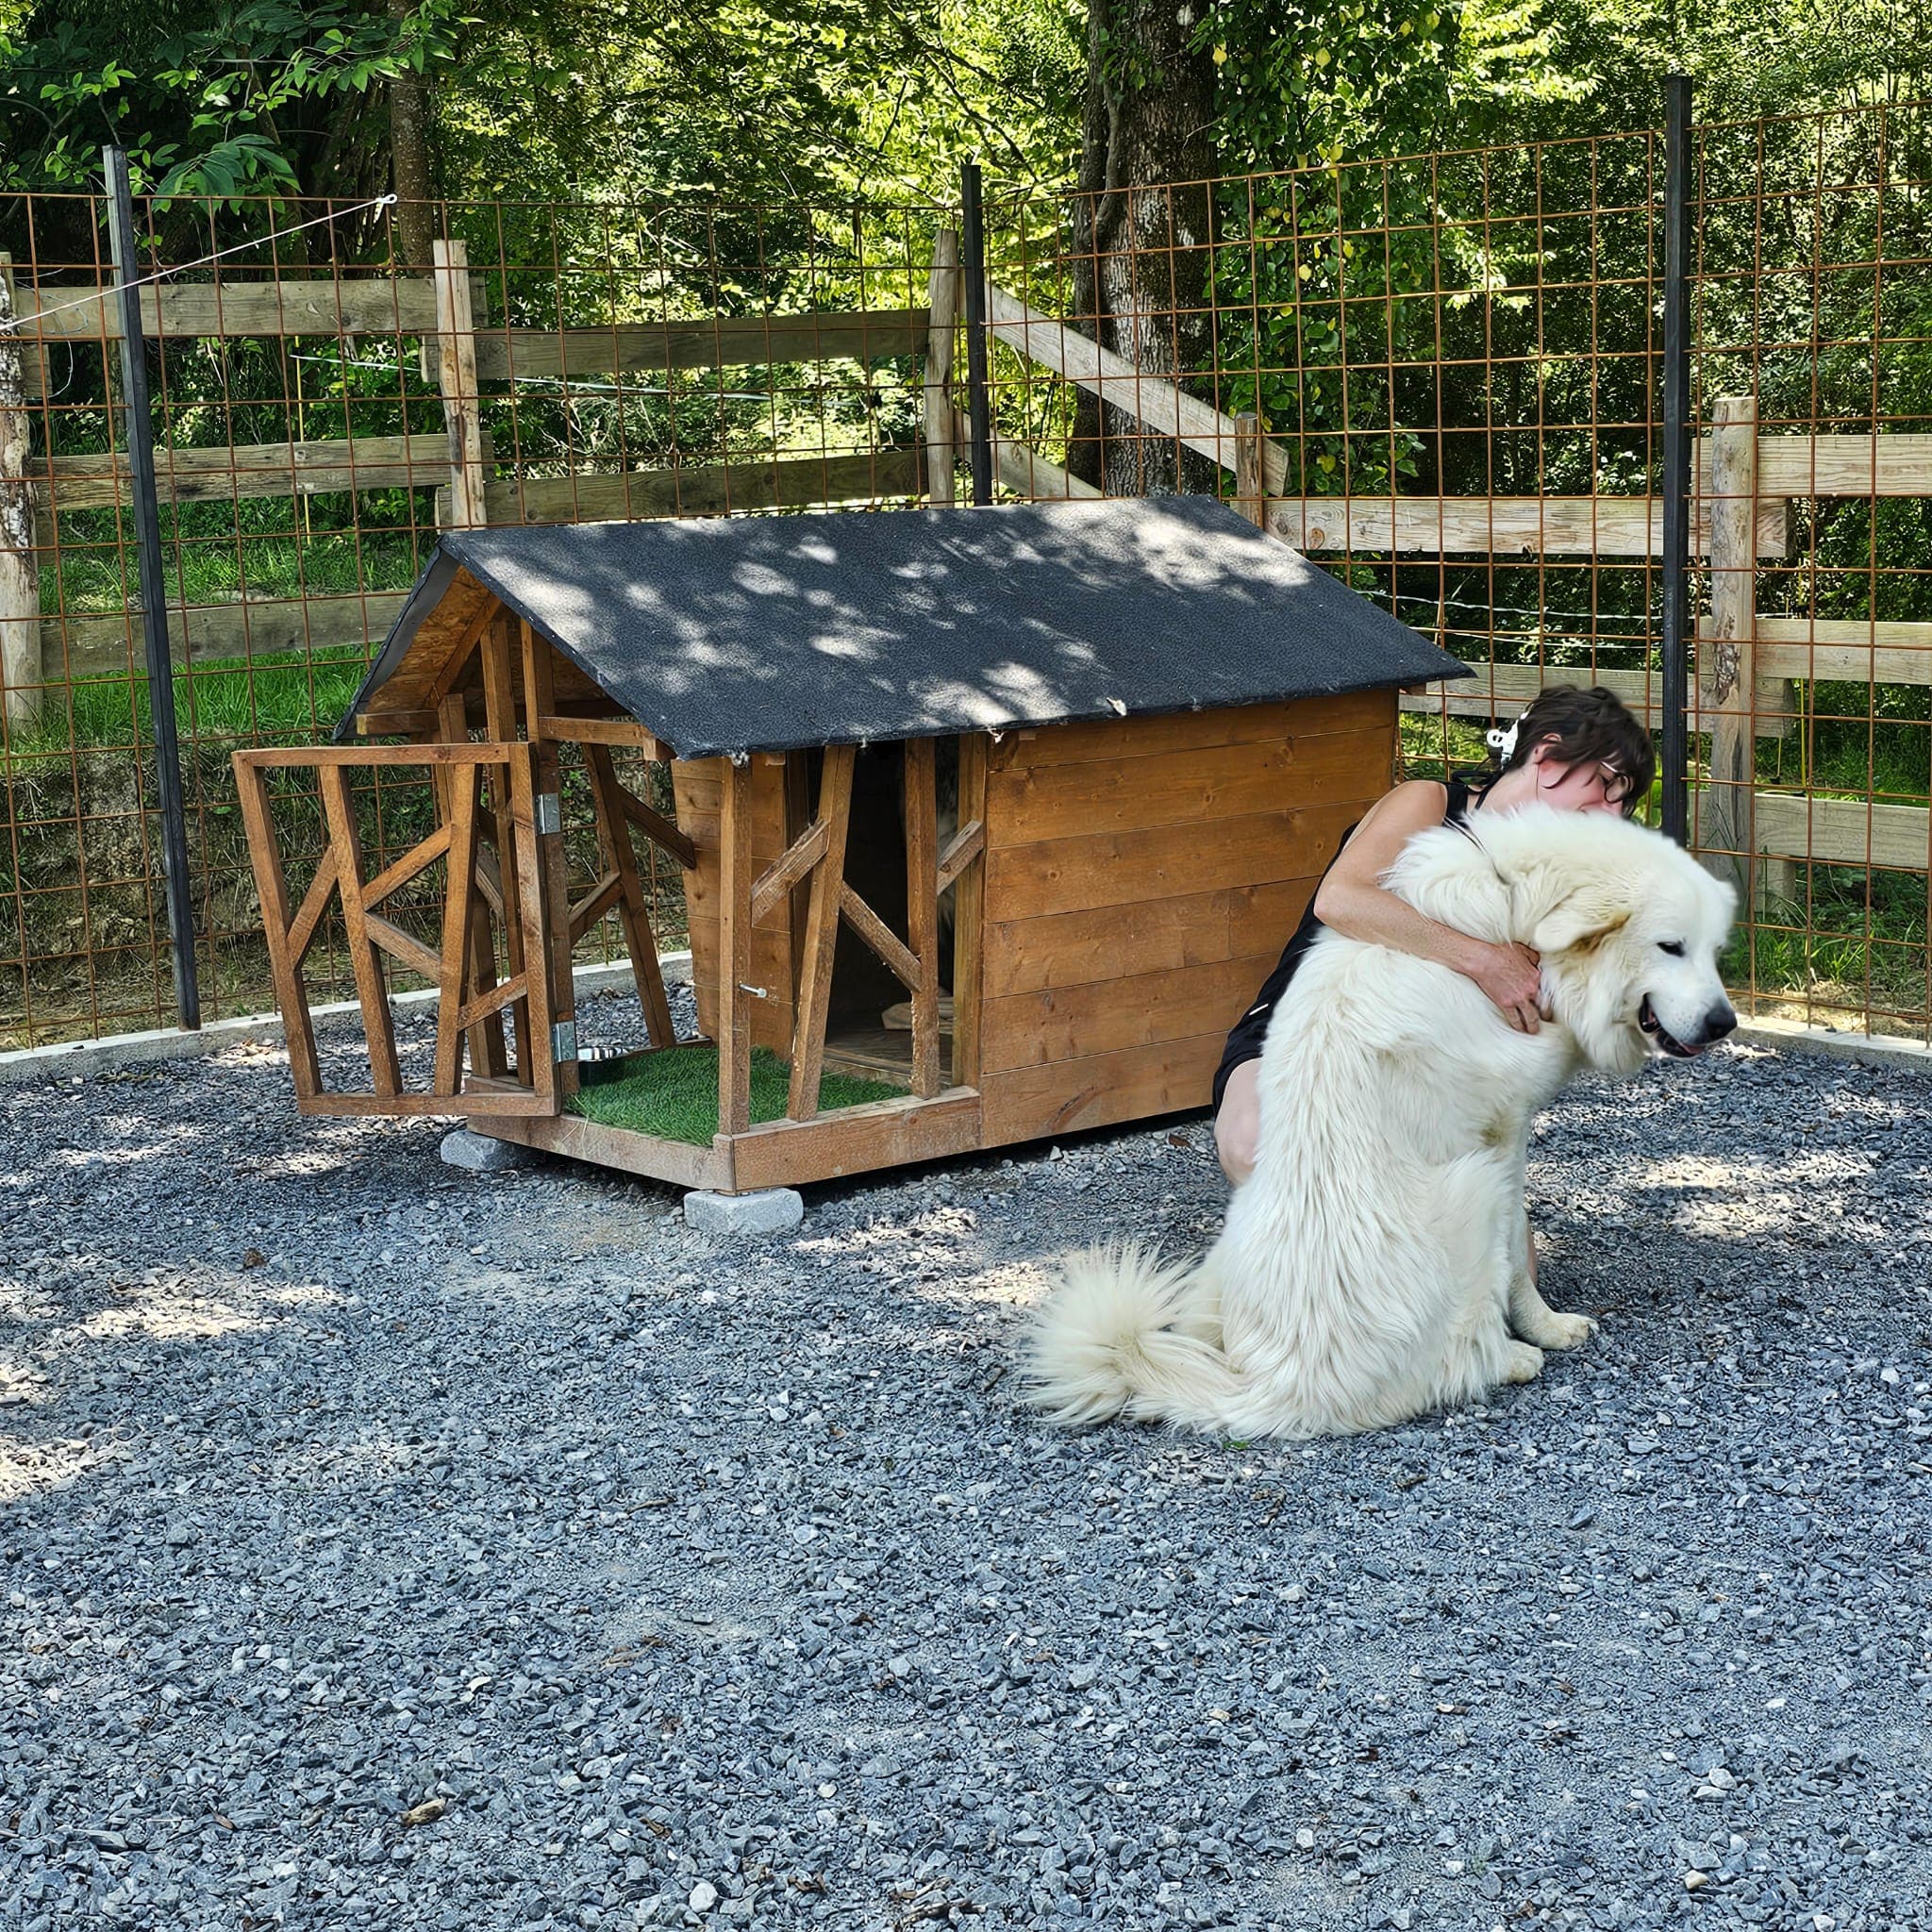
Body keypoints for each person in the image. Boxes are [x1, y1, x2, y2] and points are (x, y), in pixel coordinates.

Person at [1211, 685, 1657, 1217]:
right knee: (1256, 1147)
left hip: (1429, 1072)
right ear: (1547, 755)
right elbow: (1341, 899)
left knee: (1502, 1284)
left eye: (1624, 803)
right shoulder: (1428, 801)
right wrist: (1484, 959)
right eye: (1606, 785)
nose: (1612, 816)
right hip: (1302, 1029)